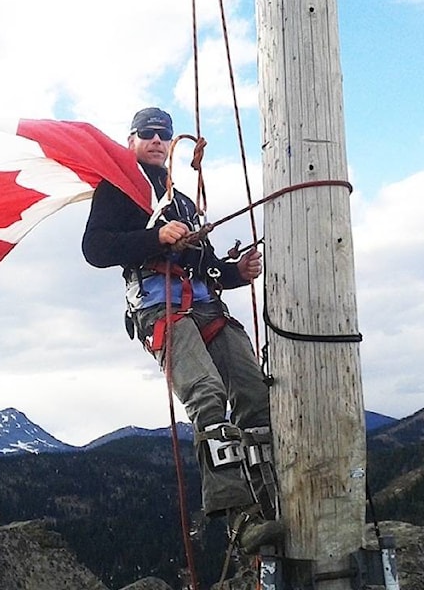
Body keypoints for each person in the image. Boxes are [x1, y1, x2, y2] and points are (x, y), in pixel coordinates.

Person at [82, 107, 283, 554]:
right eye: (148, 134)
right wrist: (157, 238)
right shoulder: (118, 191)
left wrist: (234, 272)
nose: (157, 140)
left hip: (204, 303)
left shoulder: (182, 203)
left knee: (254, 393)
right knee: (207, 394)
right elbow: (95, 249)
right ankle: (241, 518)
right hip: (159, 308)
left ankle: (274, 500)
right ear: (131, 140)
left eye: (164, 135)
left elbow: (203, 264)